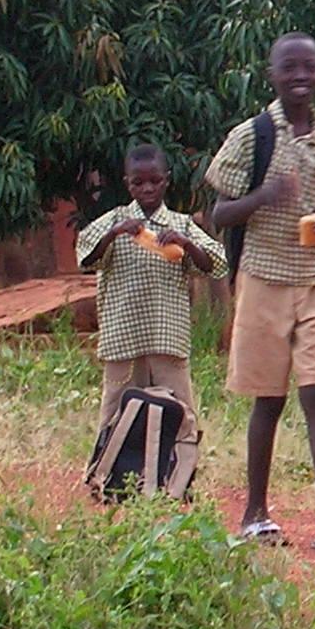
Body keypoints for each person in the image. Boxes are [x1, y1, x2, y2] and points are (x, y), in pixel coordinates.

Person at [205, 32, 315, 552]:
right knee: (268, 399)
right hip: (264, 278)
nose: (300, 76)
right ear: (272, 75)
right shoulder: (252, 137)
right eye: (289, 68)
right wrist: (264, 196)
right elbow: (219, 213)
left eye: (309, 68)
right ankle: (255, 513)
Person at [75, 143, 225, 454]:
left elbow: (215, 264)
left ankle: (182, 475)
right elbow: (86, 259)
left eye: (155, 181)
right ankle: (106, 473)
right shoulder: (114, 221)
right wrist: (114, 234)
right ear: (127, 183)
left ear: (166, 181)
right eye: (138, 182)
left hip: (167, 339)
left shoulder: (180, 225)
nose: (147, 188)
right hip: (123, 338)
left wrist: (186, 243)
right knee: (114, 410)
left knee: (180, 410)